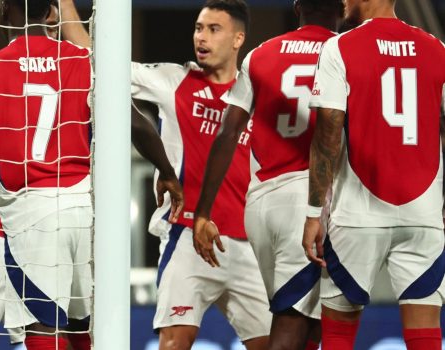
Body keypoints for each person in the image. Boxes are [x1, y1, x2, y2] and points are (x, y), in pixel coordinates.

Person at [0, 0, 98, 348]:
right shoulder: (84, 61)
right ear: (51, 12)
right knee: (79, 328)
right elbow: (134, 121)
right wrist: (165, 171)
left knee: (40, 328)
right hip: (78, 210)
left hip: (21, 218)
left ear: (0, 9)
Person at [192, 1, 343, 349]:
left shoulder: (261, 54)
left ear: (296, 8)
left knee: (308, 323)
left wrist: (203, 211)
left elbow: (228, 133)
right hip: (309, 202)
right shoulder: (344, 53)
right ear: (341, 7)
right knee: (291, 324)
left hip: (260, 205)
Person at [302, 0, 445, 349]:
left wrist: (313, 213)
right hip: (423, 214)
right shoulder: (437, 49)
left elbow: (327, 135)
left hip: (357, 214)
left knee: (337, 331)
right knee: (425, 332)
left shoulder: (339, 47)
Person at [130, 1, 271, 349]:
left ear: (238, 39)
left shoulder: (258, 92)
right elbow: (99, 61)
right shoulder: (173, 81)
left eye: (213, 29)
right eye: (198, 28)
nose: (201, 37)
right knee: (174, 342)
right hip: (186, 237)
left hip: (246, 244)